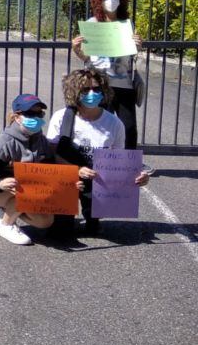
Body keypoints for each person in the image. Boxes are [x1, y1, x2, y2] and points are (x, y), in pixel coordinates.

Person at [47, 68, 151, 235]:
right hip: (66, 172)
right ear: (74, 92)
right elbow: (52, 152)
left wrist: (138, 176)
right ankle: (63, 215)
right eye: (86, 89)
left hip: (96, 175)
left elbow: (119, 160)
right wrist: (76, 170)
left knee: (94, 225)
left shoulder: (114, 123)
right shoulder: (61, 117)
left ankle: (92, 215)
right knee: (60, 231)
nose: (92, 93)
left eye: (96, 89)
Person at [0, 94, 67, 246]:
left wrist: (69, 184)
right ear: (17, 117)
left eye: (39, 113)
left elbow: (52, 169)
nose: (37, 118)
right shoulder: (4, 142)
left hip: (27, 189)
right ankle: (6, 225)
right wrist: (0, 183)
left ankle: (4, 209)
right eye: (30, 114)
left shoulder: (41, 140)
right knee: (22, 193)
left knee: (45, 221)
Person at [71, 0, 143, 149]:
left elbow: (131, 55)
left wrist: (137, 45)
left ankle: (129, 163)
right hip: (100, 83)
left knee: (129, 127)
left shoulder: (127, 24)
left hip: (123, 82)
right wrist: (76, 48)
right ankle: (103, 161)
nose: (110, 0)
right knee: (102, 125)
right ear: (99, 0)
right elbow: (87, 58)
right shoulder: (92, 24)